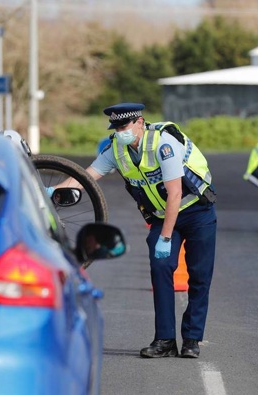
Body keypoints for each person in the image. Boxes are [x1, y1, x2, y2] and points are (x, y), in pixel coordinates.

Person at [58, 102, 217, 359]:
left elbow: (175, 194)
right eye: (116, 126)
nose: (121, 131)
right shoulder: (117, 149)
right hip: (161, 215)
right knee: (160, 268)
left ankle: (191, 338)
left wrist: (165, 237)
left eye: (125, 125)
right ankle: (165, 340)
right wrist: (51, 192)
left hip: (196, 212)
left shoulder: (163, 144)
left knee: (199, 276)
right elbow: (85, 176)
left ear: (140, 122)